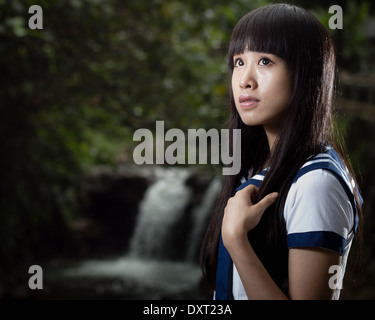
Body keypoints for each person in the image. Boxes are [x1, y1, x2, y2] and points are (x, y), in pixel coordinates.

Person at [200, 3, 363, 300]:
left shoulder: (316, 183)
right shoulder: (257, 165)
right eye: (238, 62)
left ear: (305, 74)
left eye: (264, 61)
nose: (245, 80)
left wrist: (237, 240)